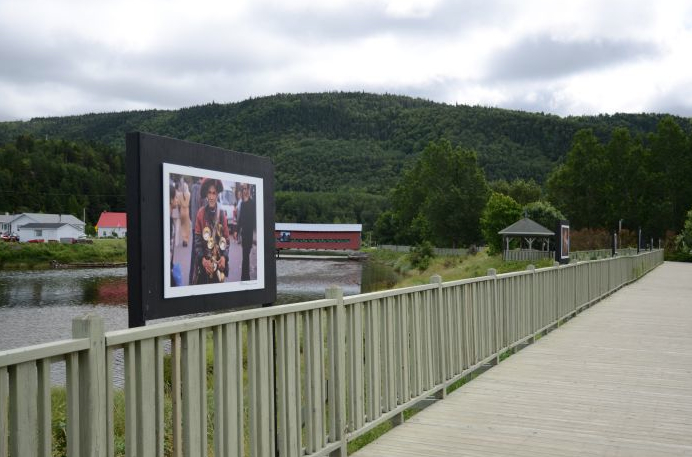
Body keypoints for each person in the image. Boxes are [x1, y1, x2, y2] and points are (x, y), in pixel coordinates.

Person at [191, 178, 230, 285]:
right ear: (206, 194)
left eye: (214, 193)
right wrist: (203, 260)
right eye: (209, 193)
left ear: (217, 195)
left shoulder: (222, 214)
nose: (212, 196)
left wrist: (223, 257)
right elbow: (197, 243)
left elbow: (226, 241)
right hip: (204, 268)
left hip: (218, 269)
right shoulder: (200, 214)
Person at [237, 183, 256, 281]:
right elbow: (240, 219)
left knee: (246, 256)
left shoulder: (252, 204)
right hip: (244, 234)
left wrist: (254, 235)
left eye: (246, 189)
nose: (245, 191)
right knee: (245, 256)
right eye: (243, 189)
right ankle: (245, 277)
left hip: (249, 234)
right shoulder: (242, 203)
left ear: (249, 190)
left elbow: (254, 220)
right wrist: (237, 231)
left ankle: (245, 277)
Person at [179, 177, 191, 247]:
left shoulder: (180, 195)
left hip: (181, 211)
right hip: (187, 211)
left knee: (183, 226)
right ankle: (186, 240)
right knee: (187, 227)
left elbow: (179, 203)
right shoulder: (189, 194)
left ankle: (183, 239)